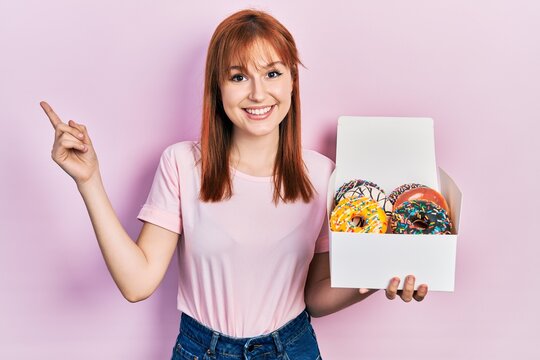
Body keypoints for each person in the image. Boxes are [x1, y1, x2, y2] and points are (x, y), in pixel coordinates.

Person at [41, 8, 428, 360]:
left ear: (293, 81)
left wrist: (381, 274)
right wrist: (89, 181)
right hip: (200, 351)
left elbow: (315, 297)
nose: (258, 93)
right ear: (218, 88)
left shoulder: (325, 176)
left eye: (273, 73)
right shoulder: (181, 164)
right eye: (239, 77)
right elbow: (137, 283)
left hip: (292, 349)